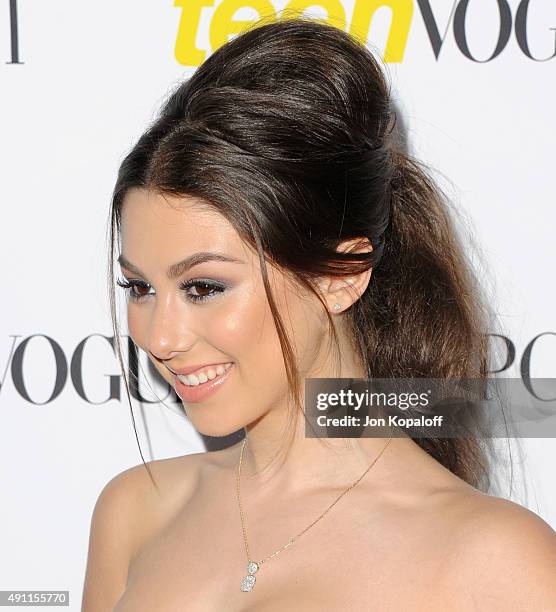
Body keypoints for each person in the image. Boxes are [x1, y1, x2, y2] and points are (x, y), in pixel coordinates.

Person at [81, 17, 556, 611]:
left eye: (203, 287)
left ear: (343, 274)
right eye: (140, 287)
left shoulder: (497, 561)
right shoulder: (137, 511)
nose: (160, 337)